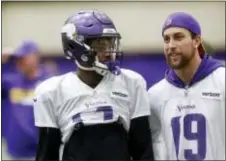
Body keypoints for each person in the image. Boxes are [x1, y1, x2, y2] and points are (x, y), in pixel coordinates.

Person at [33, 10, 154, 161]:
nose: (110, 51)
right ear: (76, 46)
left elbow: (143, 151)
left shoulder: (132, 83)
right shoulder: (51, 92)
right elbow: (47, 155)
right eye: (100, 44)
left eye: (111, 42)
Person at [148, 12, 225, 160]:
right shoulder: (155, 95)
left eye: (178, 37)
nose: (171, 45)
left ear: (196, 41)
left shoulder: (222, 80)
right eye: (166, 39)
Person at [2, 40, 54, 160]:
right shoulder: (10, 81)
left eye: (23, 57)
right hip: (14, 151)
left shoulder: (49, 82)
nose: (19, 61)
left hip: (40, 152)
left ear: (36, 57)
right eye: (17, 58)